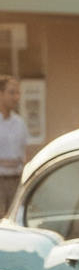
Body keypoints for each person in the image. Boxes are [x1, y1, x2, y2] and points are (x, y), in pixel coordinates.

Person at [0, 75, 29, 216]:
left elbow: (25, 152)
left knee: (14, 219)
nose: (16, 97)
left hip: (16, 181)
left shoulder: (19, 123)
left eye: (17, 93)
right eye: (11, 93)